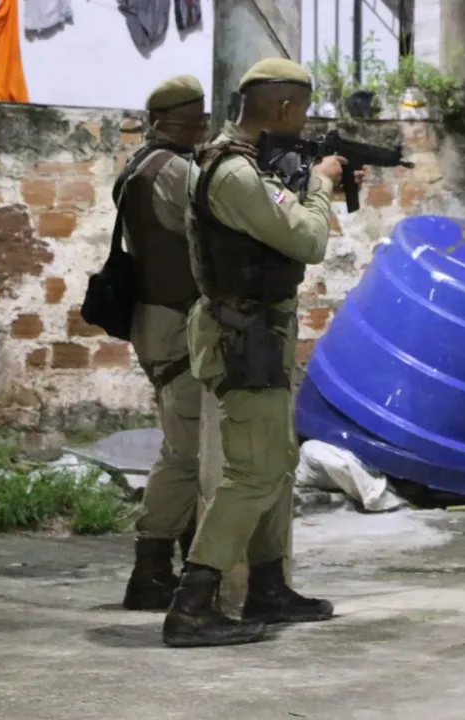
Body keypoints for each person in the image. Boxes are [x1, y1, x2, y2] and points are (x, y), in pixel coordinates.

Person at [162, 58, 356, 648]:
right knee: (252, 471)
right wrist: (321, 184)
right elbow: (309, 239)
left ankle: (268, 587)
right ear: (285, 110)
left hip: (257, 332)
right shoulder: (234, 174)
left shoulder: (236, 164)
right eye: (301, 110)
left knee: (277, 461)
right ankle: (192, 604)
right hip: (242, 336)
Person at [119, 75, 209, 611]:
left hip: (158, 319)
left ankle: (180, 556)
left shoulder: (140, 165)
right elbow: (217, 222)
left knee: (189, 446)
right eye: (197, 117)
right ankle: (151, 569)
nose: (204, 125)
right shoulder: (172, 171)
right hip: (174, 323)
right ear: (176, 119)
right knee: (186, 452)